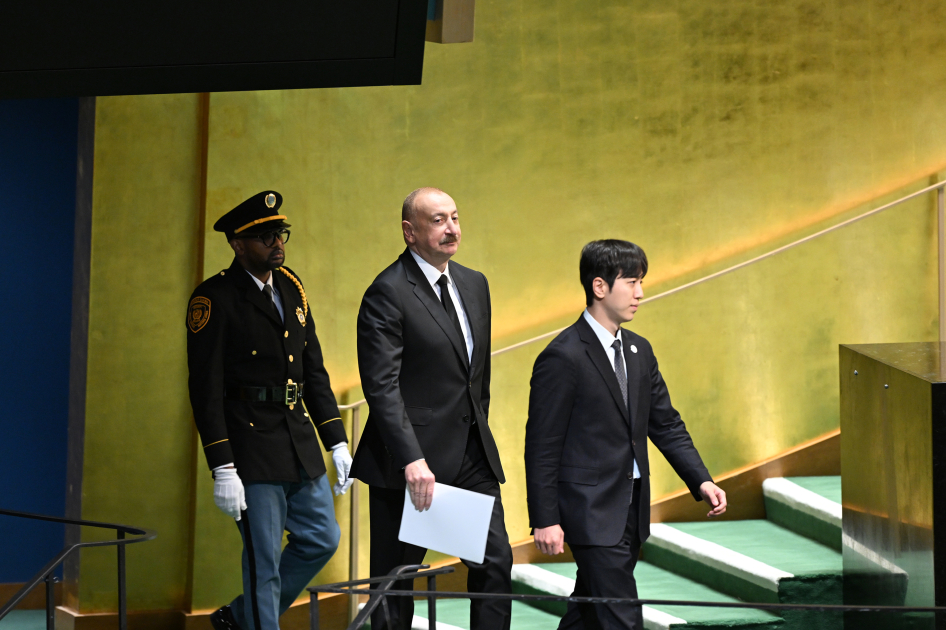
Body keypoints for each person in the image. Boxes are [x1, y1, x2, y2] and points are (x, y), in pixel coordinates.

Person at [524, 239, 727, 630]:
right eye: (631, 282)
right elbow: (542, 446)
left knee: (587, 612)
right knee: (621, 616)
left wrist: (700, 479)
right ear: (600, 287)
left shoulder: (639, 350)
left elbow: (665, 423)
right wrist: (545, 518)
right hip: (589, 510)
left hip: (631, 507)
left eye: (641, 282)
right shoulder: (563, 356)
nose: (640, 293)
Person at [186, 191, 353, 630]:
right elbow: (205, 389)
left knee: (321, 539)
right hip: (250, 446)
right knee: (264, 562)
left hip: (297, 438)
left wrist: (336, 440)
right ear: (238, 244)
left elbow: (312, 370)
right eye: (265, 237)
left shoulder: (291, 286)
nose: (277, 243)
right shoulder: (214, 298)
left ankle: (240, 618)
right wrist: (223, 467)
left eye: (280, 234)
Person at [349, 187, 513, 630]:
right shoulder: (387, 291)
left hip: (470, 456)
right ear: (410, 232)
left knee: (495, 562)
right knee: (395, 587)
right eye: (438, 220)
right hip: (410, 465)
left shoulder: (474, 283)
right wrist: (412, 458)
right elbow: (381, 387)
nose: (451, 228)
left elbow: (476, 377)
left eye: (455, 217)